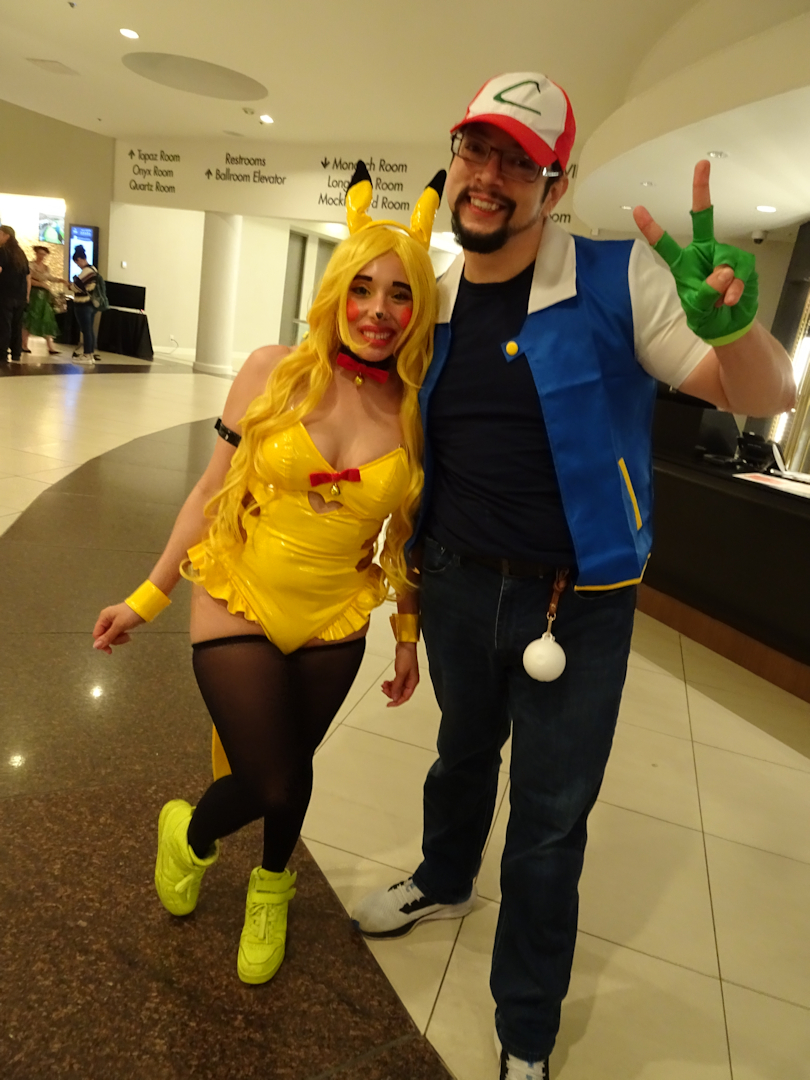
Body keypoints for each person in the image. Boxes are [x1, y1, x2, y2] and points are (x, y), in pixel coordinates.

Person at [350, 72, 795, 1079]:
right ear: (454, 157)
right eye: (477, 149)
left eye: (520, 161)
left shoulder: (615, 277)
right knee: (460, 755)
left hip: (579, 603)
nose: (489, 176)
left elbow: (761, 394)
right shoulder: (434, 293)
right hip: (458, 580)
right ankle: (444, 879)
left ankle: (525, 1030)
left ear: (558, 184)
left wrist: (735, 329)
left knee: (550, 824)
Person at [91, 162, 444, 986]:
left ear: (420, 309)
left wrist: (406, 635)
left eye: (400, 295)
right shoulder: (271, 371)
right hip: (238, 595)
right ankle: (189, 837)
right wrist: (148, 595)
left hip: (334, 615)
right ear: (336, 291)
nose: (378, 311)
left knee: (291, 773)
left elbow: (407, 536)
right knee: (269, 777)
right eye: (363, 288)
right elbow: (208, 492)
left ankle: (272, 888)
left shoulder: (416, 409)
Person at [23, 245, 67, 355]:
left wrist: (61, 281)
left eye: (44, 254)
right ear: (36, 253)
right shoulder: (31, 265)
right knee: (31, 317)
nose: (42, 256)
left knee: (47, 317)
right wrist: (41, 284)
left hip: (44, 295)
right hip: (34, 294)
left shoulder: (46, 268)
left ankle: (50, 346)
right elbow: (28, 280)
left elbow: (50, 278)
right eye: (40, 254)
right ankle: (24, 344)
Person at [0, 225, 31, 363]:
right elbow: (28, 277)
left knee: (4, 324)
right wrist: (27, 295)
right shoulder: (21, 253)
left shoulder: (3, 251)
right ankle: (16, 353)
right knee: (17, 325)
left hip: (5, 294)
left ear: (7, 236)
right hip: (20, 296)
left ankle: (2, 353)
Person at [70, 245, 98, 365]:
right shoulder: (94, 269)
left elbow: (75, 287)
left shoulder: (86, 271)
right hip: (91, 304)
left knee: (86, 330)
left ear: (79, 259)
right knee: (89, 330)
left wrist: (70, 284)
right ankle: (90, 354)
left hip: (83, 304)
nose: (78, 265)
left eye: (77, 263)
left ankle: (87, 355)